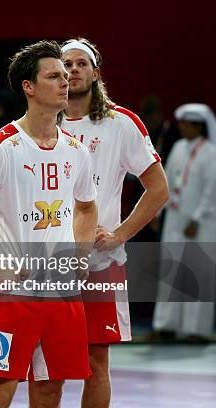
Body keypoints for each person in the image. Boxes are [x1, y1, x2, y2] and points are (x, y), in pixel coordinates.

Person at [0, 40, 98, 407]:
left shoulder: (76, 150)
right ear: (29, 87)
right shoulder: (2, 145)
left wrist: (80, 255)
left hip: (62, 292)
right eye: (54, 76)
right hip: (17, 294)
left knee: (51, 387)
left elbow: (87, 208)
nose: (65, 82)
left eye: (66, 76)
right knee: (0, 390)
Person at [60, 38, 168, 407]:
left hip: (99, 263)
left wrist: (119, 234)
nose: (72, 70)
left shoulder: (120, 124)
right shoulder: (42, 124)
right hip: (48, 261)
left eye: (80, 63)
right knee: (47, 366)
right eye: (65, 65)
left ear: (95, 72)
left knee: (95, 360)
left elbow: (158, 188)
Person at [152, 103, 216, 343]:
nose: (181, 127)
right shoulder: (178, 147)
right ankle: (166, 325)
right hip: (175, 218)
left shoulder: (211, 153)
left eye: (186, 124)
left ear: (198, 126)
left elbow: (212, 190)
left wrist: (197, 218)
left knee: (198, 273)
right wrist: (158, 212)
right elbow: (165, 180)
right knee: (171, 270)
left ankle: (195, 330)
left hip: (202, 223)